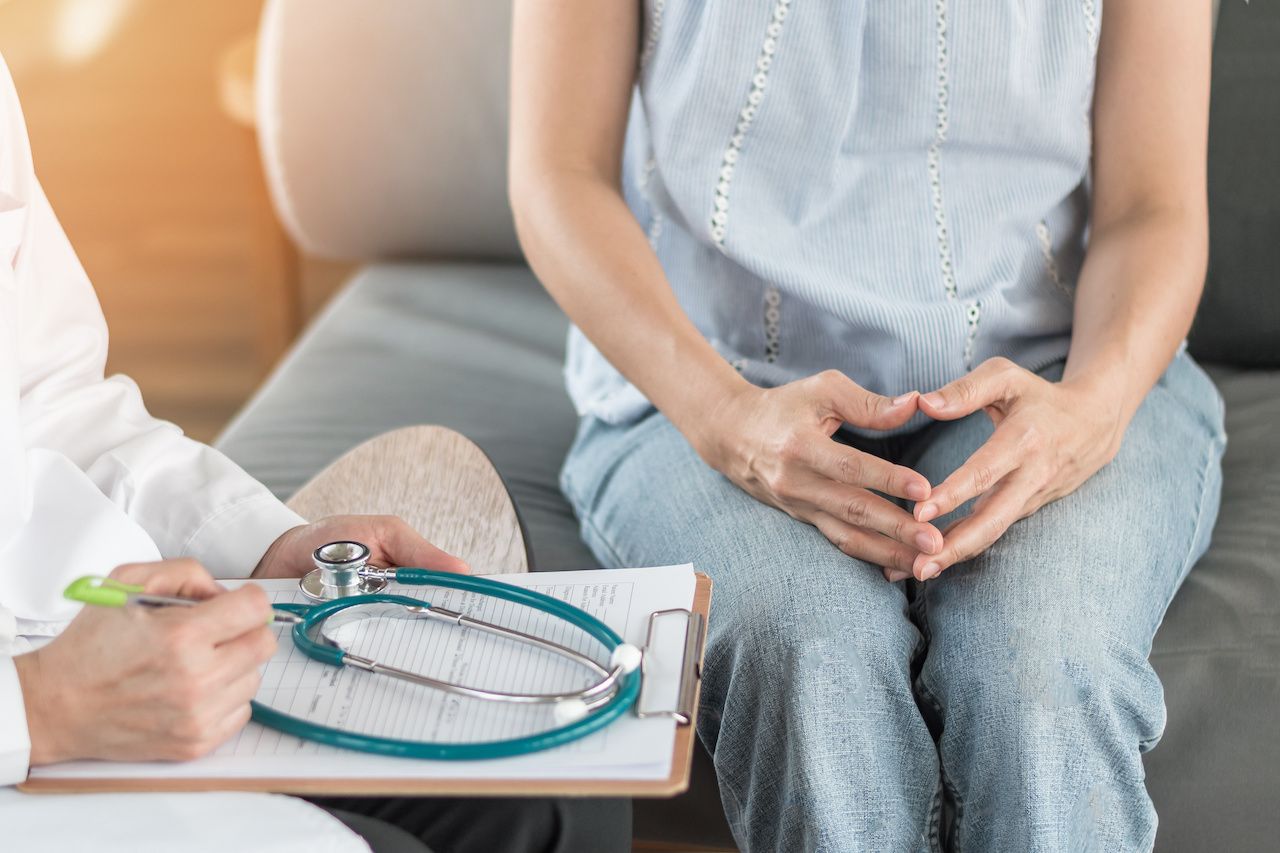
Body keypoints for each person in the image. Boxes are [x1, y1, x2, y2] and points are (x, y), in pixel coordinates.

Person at [509, 1, 1223, 850]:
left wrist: (1091, 411)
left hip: (1060, 367)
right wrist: (727, 418)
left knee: (1039, 671)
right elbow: (558, 172)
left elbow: (1155, 205)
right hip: (704, 374)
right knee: (810, 658)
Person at [0, 54, 628, 852]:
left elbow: (49, 399)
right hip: (31, 718)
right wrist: (38, 707)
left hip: (70, 639)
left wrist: (267, 546)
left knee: (558, 797)